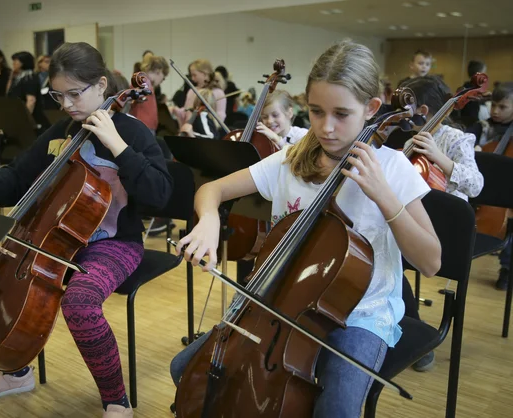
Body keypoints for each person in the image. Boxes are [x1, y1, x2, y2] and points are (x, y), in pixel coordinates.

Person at [171, 40, 441, 418]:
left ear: (372, 109)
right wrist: (209, 221)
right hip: (279, 298)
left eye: (341, 114)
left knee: (336, 408)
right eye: (316, 112)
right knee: (187, 370)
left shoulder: (393, 169)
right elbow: (211, 190)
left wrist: (384, 197)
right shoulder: (290, 159)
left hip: (360, 313)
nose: (326, 128)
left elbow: (430, 262)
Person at [0, 42, 173, 418]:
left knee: (80, 303)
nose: (68, 104)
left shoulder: (132, 133)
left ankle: (117, 401)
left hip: (113, 243)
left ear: (102, 85)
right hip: (49, 239)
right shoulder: (61, 130)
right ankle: (14, 370)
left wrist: (118, 147)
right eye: (59, 95)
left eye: (75, 93)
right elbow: (21, 173)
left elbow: (161, 194)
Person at [398, 75, 484, 370]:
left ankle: (419, 342)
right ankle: (413, 330)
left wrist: (439, 157)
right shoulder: (409, 137)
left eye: (405, 107)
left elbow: (475, 184)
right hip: (416, 222)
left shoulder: (456, 139)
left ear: (422, 109)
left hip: (448, 231)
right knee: (383, 259)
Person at [468, 82, 513, 289]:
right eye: (493, 105)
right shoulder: (482, 127)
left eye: (502, 107)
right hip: (478, 189)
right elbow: (465, 142)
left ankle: (506, 269)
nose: (495, 111)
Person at [7, 51, 50, 134]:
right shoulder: (19, 77)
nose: (13, 63)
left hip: (31, 121)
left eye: (16, 61)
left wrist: (24, 120)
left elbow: (31, 101)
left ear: (23, 62)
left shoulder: (29, 77)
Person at [130, 55, 169, 137]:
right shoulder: (143, 81)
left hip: (146, 127)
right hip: (143, 127)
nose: (162, 80)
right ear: (158, 71)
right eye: (163, 77)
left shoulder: (147, 83)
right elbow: (135, 93)